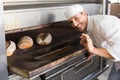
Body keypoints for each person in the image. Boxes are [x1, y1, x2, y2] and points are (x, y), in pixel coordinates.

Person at [64, 4, 120, 80]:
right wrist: (94, 49)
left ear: (84, 13)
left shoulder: (103, 22)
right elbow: (102, 40)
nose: (74, 24)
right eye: (71, 21)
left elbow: (118, 51)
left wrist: (94, 50)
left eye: (76, 18)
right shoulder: (88, 27)